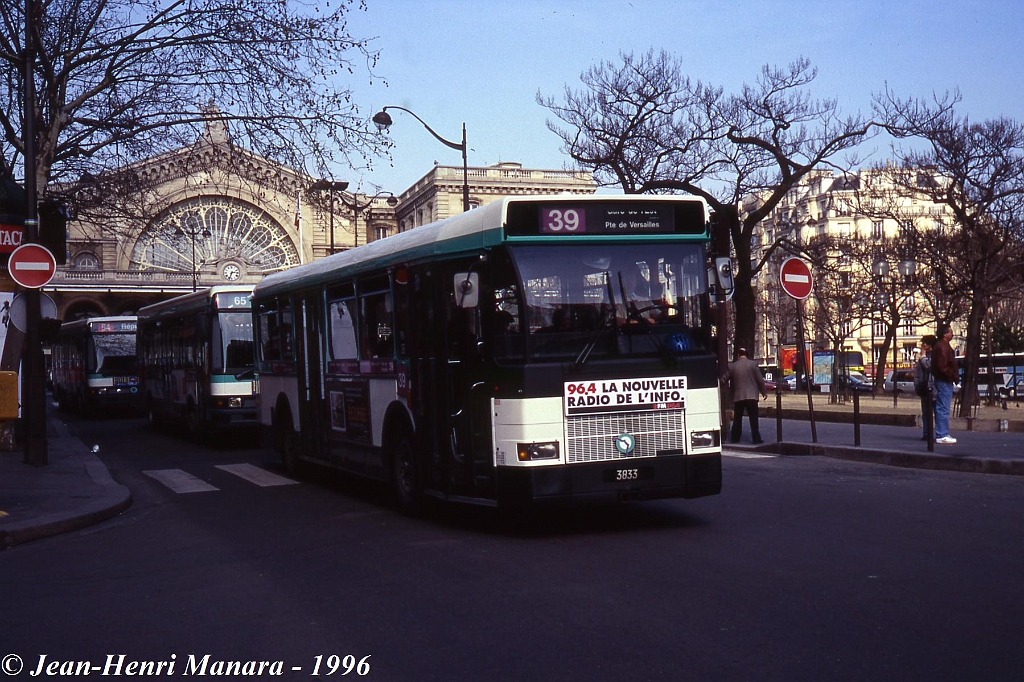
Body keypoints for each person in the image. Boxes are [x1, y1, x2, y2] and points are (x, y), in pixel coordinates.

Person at [728, 347, 768, 444]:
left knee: (738, 419)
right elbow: (760, 380)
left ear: (738, 355)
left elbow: (725, 378)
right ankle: (756, 438)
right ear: (747, 354)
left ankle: (735, 438)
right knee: (753, 418)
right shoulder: (753, 364)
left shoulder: (733, 366)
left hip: (739, 396)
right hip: (752, 396)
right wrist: (764, 392)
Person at [931, 324, 958, 444]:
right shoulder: (942, 347)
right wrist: (950, 375)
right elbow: (942, 366)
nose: (952, 334)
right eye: (950, 332)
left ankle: (942, 433)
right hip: (944, 380)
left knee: (942, 406)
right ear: (944, 334)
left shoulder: (942, 346)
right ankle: (942, 434)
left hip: (943, 379)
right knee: (943, 407)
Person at [914, 334, 937, 441]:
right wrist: (917, 384)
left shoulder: (934, 355)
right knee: (925, 412)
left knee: (936, 411)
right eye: (922, 342)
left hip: (934, 387)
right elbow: (918, 373)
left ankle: (937, 433)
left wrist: (923, 356)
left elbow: (929, 366)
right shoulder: (922, 356)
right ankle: (926, 433)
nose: (923, 345)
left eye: (925, 343)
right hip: (924, 386)